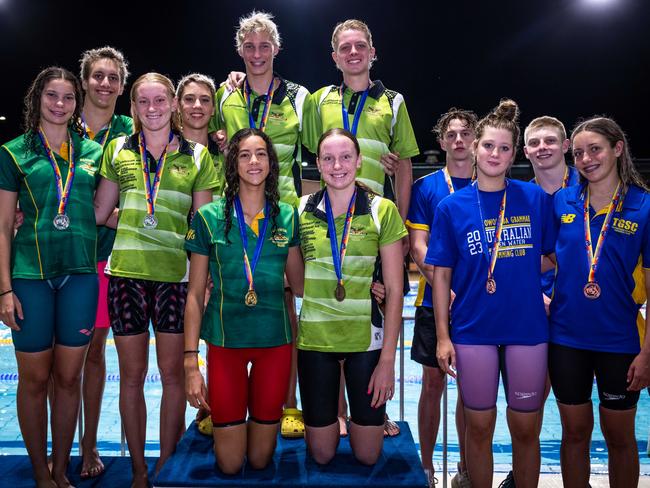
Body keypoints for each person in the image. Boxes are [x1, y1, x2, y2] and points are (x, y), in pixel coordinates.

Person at [94, 72, 220, 487]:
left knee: (171, 376)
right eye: (143, 102)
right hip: (126, 276)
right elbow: (99, 212)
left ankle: (167, 462)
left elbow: (202, 228)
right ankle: (138, 469)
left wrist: (206, 278)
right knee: (130, 376)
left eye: (160, 101)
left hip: (174, 278)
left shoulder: (198, 157)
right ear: (134, 107)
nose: (152, 109)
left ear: (173, 105)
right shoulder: (117, 149)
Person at [428, 99, 555, 488]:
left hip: (526, 330)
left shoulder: (534, 200)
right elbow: (441, 275)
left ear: (513, 153)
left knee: (525, 429)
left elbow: (554, 258)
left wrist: (518, 273)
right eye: (488, 146)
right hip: (473, 330)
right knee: (479, 427)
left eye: (504, 148)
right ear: (475, 146)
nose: (495, 154)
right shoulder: (451, 207)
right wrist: (444, 337)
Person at [304, 19, 418, 437]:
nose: (353, 53)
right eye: (345, 48)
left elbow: (403, 166)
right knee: (336, 318)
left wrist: (401, 231)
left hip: (374, 227)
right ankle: (334, 415)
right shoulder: (317, 101)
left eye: (360, 46)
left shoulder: (393, 101)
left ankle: (374, 410)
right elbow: (313, 161)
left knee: (379, 311)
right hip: (331, 226)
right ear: (334, 57)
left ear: (373, 52)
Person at [210, 10, 313, 438]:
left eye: (264, 46)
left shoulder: (299, 96)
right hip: (232, 215)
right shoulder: (224, 93)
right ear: (240, 50)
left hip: (281, 214)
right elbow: (211, 144)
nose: (256, 54)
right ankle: (223, 402)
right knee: (226, 301)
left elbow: (315, 155)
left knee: (284, 306)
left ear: (276, 50)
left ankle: (287, 404)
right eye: (249, 46)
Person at [0, 67, 103, 488]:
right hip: (29, 276)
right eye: (51, 96)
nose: (60, 104)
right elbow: (4, 224)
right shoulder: (12, 153)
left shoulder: (94, 153)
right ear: (37, 99)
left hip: (79, 275)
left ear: (77, 103)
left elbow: (106, 208)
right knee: (35, 379)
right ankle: (41, 473)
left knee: (68, 379)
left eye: (67, 97)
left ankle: (61, 468)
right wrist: (4, 288)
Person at [184, 127, 303, 473]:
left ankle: (251, 428)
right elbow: (194, 295)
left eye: (261, 154)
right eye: (245, 154)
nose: (254, 161)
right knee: (231, 464)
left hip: (274, 343)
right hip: (225, 343)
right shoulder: (209, 217)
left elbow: (299, 286)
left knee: (262, 459)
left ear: (271, 162)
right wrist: (191, 362)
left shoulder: (288, 217)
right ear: (232, 162)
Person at [548, 117, 650, 488]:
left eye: (595, 149)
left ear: (617, 148)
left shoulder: (644, 206)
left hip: (619, 342)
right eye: (578, 153)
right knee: (574, 434)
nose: (587, 159)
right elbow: (540, 258)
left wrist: (647, 352)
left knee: (620, 437)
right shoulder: (563, 201)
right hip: (566, 340)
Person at [297, 128, 406, 465]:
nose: (337, 165)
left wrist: (387, 361)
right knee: (321, 454)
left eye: (346, 157)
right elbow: (295, 280)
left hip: (367, 344)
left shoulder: (381, 210)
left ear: (359, 161)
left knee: (368, 455)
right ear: (317, 163)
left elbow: (396, 287)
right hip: (316, 341)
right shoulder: (298, 209)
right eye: (328, 158)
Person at [406, 108, 477, 487]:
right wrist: (443, 285)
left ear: (477, 139)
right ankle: (428, 465)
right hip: (435, 304)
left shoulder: (493, 184)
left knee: (473, 391)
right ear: (441, 142)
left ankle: (467, 468)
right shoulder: (427, 187)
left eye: (466, 133)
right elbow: (419, 247)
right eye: (451, 135)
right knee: (432, 386)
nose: (459, 140)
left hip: (482, 304)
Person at [77, 45, 133, 479]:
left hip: (105, 256)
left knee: (93, 353)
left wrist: (112, 216)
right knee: (59, 359)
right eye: (98, 75)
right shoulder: (58, 123)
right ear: (84, 80)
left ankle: (89, 442)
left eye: (113, 77)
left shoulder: (131, 129)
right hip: (58, 254)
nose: (105, 84)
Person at [177, 73, 224, 197]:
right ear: (177, 106)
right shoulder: (164, 150)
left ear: (213, 108)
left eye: (205, 100)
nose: (197, 105)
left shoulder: (225, 153)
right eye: (189, 99)